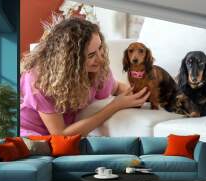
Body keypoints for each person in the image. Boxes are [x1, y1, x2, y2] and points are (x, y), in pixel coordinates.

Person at [20, 17, 150, 137]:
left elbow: (116, 88)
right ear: (70, 60)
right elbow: (60, 135)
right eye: (91, 55)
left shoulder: (95, 70)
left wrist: (148, 92)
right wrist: (115, 106)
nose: (100, 59)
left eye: (100, 48)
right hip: (31, 136)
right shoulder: (39, 80)